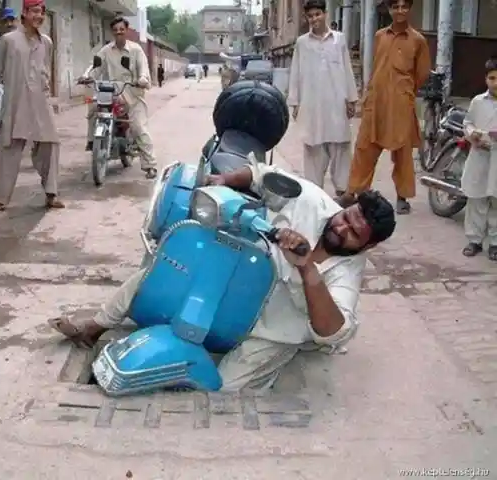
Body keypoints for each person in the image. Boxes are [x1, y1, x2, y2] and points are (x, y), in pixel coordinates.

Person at [49, 163, 396, 391]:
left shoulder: (348, 272)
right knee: (165, 272)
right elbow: (262, 174)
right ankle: (93, 328)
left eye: (353, 232)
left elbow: (332, 330)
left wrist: (307, 268)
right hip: (246, 280)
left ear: (371, 245)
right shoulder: (312, 200)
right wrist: (225, 180)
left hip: (278, 328)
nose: (341, 227)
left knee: (225, 388)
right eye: (346, 217)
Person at [337, 0, 430, 215]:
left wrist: (402, 90)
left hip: (400, 103)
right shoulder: (379, 36)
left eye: (404, 6)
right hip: (376, 101)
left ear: (409, 9)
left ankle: (402, 196)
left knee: (402, 152)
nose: (399, 11)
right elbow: (376, 66)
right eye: (395, 6)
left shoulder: (418, 40)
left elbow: (421, 74)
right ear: (388, 10)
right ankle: (353, 192)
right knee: (364, 148)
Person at [0, 0, 65, 211]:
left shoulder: (47, 42)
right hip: (16, 101)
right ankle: (1, 198)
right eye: (34, 11)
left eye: (41, 12)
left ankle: (52, 193)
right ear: (24, 13)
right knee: (9, 147)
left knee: (50, 144)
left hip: (41, 101)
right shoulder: (8, 40)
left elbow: (46, 71)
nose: (38, 16)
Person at [288, 0, 358, 197]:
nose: (314, 19)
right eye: (310, 16)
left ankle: (342, 192)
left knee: (341, 147)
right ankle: (314, 194)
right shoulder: (302, 43)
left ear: (325, 14)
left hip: (337, 104)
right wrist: (295, 103)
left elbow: (347, 69)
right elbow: (296, 73)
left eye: (317, 14)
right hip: (312, 106)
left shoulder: (339, 40)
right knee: (313, 146)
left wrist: (351, 99)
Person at [80, 17, 157, 179]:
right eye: (115, 30)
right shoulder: (106, 50)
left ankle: (150, 165)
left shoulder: (136, 50)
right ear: (112, 32)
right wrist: (86, 76)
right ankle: (93, 142)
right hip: (111, 92)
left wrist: (142, 79)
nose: (118, 32)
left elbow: (143, 69)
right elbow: (96, 65)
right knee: (93, 110)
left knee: (138, 127)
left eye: (121, 29)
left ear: (127, 30)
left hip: (132, 92)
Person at [460, 58, 497, 261]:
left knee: (496, 201)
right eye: (492, 78)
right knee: (476, 198)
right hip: (479, 155)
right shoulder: (477, 101)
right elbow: (468, 123)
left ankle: (495, 242)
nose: (495, 83)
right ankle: (474, 240)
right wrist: (472, 133)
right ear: (486, 79)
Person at [0, 8, 19, 128]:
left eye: (11, 20)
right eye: (6, 21)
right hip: (5, 83)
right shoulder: (0, 42)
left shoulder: (24, 40)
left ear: (17, 21)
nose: (9, 24)